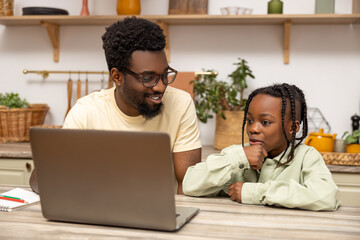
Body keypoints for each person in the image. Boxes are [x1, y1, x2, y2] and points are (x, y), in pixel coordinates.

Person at [30, 17, 202, 194]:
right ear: (117, 77)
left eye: (165, 74)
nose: (160, 86)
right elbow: (45, 179)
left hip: (162, 217)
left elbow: (188, 185)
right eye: (148, 78)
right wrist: (49, 166)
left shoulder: (180, 104)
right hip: (100, 213)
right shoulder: (86, 111)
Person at [183, 83, 340, 211]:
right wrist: (239, 157)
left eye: (265, 122)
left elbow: (326, 197)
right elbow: (190, 185)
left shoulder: (307, 157)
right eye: (250, 120)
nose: (253, 129)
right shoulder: (237, 155)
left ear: (293, 127)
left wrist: (254, 192)